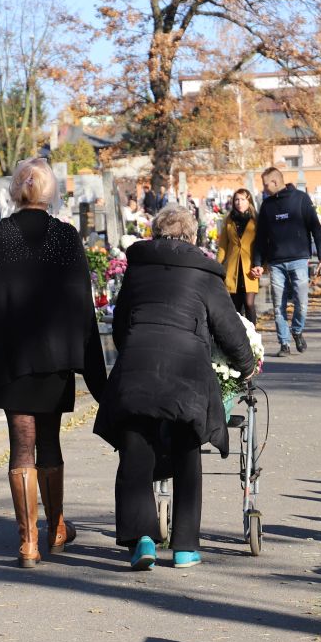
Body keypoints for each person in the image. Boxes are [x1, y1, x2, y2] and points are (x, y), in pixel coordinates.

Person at [0, 158, 107, 568]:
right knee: (50, 440)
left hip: (12, 357)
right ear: (50, 191)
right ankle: (54, 527)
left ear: (16, 190)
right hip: (54, 357)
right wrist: (84, 354)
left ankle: (28, 544)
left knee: (22, 444)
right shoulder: (66, 237)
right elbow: (79, 301)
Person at [95, 205, 257, 571]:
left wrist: (135, 352)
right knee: (187, 448)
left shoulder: (137, 270)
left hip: (137, 368)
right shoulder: (203, 274)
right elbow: (229, 328)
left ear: (155, 234)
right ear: (192, 236)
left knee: (136, 448)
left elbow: (121, 325)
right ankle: (184, 546)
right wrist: (246, 366)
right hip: (187, 371)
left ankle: (144, 541)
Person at [250, 167, 321, 357]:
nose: (263, 188)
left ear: (275, 182)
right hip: (276, 263)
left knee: (301, 303)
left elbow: (315, 228)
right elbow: (261, 237)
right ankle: (284, 343)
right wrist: (258, 262)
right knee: (278, 305)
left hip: (299, 260)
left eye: (265, 184)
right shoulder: (267, 206)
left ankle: (297, 330)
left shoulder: (301, 199)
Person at [217, 188, 260, 321]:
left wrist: (262, 265)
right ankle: (239, 336)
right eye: (236, 199)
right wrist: (217, 266)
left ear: (249, 201)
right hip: (233, 267)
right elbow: (223, 245)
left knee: (249, 303)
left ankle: (253, 335)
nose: (239, 202)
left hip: (250, 267)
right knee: (235, 306)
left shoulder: (256, 220)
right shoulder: (229, 220)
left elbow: (262, 244)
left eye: (242, 199)